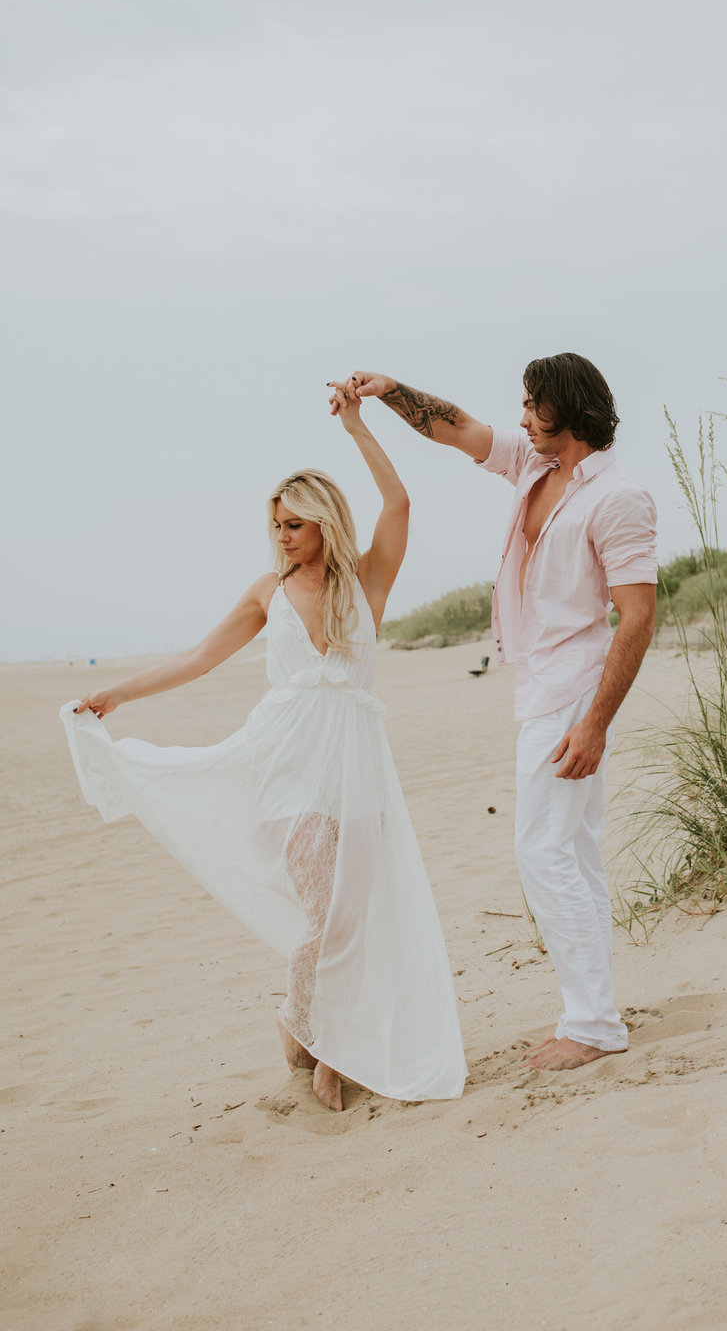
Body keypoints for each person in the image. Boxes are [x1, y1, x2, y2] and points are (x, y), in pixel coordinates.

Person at [62, 388, 467, 1112]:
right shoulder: (267, 593)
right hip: (286, 768)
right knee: (323, 908)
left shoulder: (366, 581)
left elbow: (399, 502)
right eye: (275, 525)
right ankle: (328, 1047)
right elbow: (198, 658)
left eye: (294, 524)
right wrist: (117, 694)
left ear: (324, 523)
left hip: (357, 768)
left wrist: (356, 426)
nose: (280, 536)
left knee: (355, 910)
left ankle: (302, 1017)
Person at [335, 354, 657, 1071]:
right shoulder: (537, 470)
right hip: (540, 684)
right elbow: (459, 430)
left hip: (574, 689)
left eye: (531, 405)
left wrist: (595, 723)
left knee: (541, 851)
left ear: (565, 409)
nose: (519, 418)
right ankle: (593, 1010)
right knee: (571, 851)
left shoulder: (619, 497)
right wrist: (391, 393)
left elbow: (637, 617)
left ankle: (594, 1025)